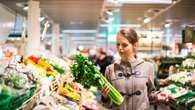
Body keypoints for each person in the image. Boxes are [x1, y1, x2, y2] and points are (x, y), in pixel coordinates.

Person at [101, 28, 155, 110]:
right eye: (118, 44)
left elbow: (150, 94)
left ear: (135, 45)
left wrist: (158, 96)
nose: (120, 48)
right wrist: (105, 98)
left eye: (124, 45)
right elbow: (107, 104)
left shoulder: (148, 67)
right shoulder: (110, 69)